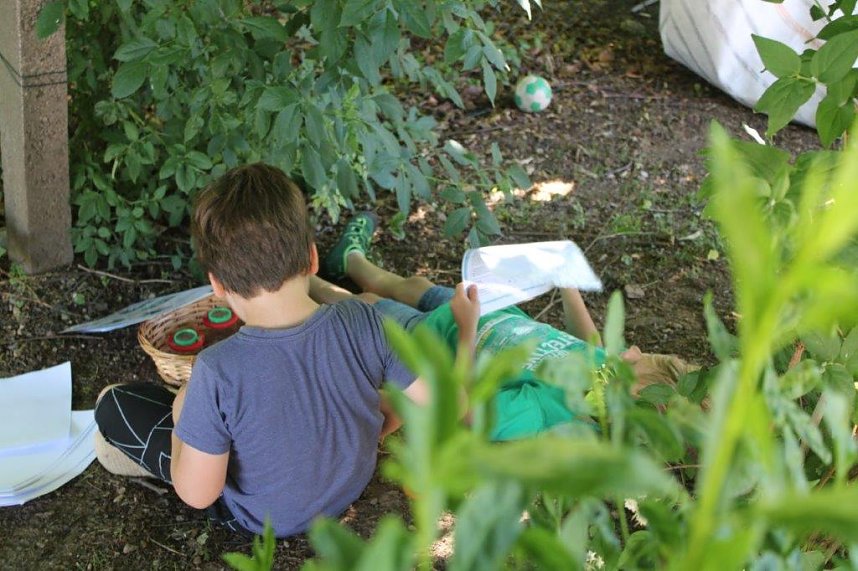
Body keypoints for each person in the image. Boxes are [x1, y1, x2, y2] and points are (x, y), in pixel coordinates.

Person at [92, 164, 433, 538]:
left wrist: (182, 414)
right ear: (313, 259)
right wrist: (373, 428)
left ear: (217, 285)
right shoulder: (362, 317)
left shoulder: (216, 369)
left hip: (264, 519)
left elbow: (198, 494)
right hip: (349, 484)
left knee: (115, 403)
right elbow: (429, 399)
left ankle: (152, 437)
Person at [312, 213, 698, 441]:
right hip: (486, 314)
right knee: (413, 286)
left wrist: (466, 332)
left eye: (634, 361)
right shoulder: (605, 373)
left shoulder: (553, 408)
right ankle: (350, 261)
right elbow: (590, 342)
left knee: (363, 308)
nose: (631, 351)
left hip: (436, 340)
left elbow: (469, 415)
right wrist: (566, 282)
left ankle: (297, 278)